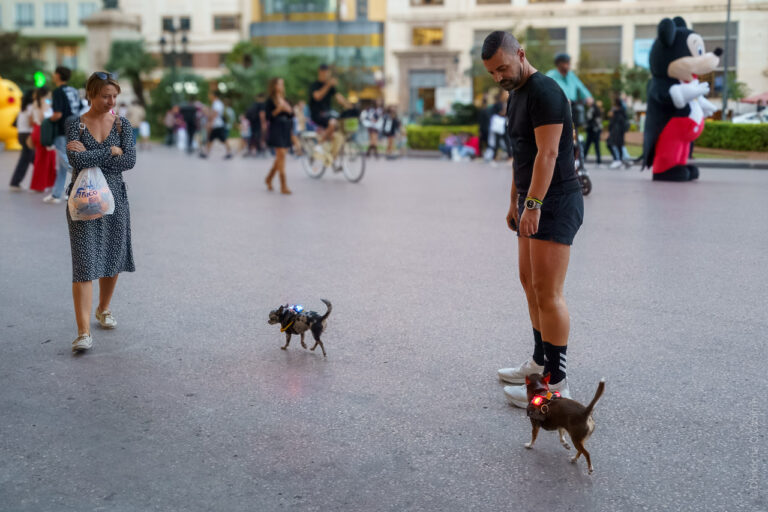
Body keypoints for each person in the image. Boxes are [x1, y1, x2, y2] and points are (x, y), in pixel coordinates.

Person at [482, 31, 584, 407]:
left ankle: (556, 385)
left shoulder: (545, 91)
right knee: (529, 283)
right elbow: (520, 154)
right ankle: (541, 363)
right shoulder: (516, 94)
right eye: (492, 73)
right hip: (532, 200)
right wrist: (515, 200)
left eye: (502, 68)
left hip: (554, 202)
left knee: (548, 292)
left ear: (520, 54)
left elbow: (549, 154)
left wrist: (534, 204)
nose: (498, 77)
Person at [64, 72, 136, 353]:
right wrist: (111, 152)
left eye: (114, 96)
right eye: (105, 95)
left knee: (113, 255)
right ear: (91, 95)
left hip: (115, 198)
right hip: (83, 200)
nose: (111, 101)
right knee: (84, 262)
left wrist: (112, 154)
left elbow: (129, 160)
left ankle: (103, 309)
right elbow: (75, 159)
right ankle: (83, 333)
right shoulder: (76, 125)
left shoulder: (122, 123)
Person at [44, 66, 81, 204]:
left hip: (62, 129)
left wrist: (47, 121)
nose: (53, 75)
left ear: (58, 75)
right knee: (62, 164)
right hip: (75, 127)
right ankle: (56, 194)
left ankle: (83, 176)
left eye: (54, 73)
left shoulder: (58, 91)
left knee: (64, 159)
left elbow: (57, 114)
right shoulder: (73, 90)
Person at [546, 54, 592, 135]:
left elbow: (581, 87)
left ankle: (575, 143)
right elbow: (544, 89)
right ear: (559, 64)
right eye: (565, 63)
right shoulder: (551, 75)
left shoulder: (571, 75)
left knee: (574, 130)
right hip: (558, 107)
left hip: (572, 107)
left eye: (568, 63)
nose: (568, 65)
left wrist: (588, 97)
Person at [308, 64, 352, 146]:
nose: (327, 75)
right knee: (332, 122)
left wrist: (349, 106)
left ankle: (329, 149)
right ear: (320, 72)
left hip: (328, 114)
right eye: (325, 73)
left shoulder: (331, 87)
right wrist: (328, 85)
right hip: (317, 114)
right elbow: (317, 96)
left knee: (339, 123)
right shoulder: (314, 85)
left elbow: (339, 97)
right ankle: (320, 145)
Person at [264, 77, 294, 195]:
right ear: (274, 86)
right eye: (279, 84)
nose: (282, 86)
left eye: (282, 84)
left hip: (285, 129)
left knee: (280, 157)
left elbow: (292, 115)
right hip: (276, 128)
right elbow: (268, 117)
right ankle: (283, 185)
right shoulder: (270, 100)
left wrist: (288, 109)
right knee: (281, 154)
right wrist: (279, 109)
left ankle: (269, 178)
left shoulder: (285, 99)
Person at [28, 87, 57, 193]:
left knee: (43, 158)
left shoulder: (34, 103)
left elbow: (31, 119)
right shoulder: (44, 102)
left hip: (36, 130)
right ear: (46, 93)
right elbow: (45, 117)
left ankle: (43, 184)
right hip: (44, 130)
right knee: (45, 159)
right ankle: (41, 185)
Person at [9, 89, 36, 190]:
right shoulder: (31, 107)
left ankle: (15, 182)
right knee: (33, 159)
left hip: (21, 134)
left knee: (26, 159)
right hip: (28, 135)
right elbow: (31, 122)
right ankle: (15, 182)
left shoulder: (23, 108)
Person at [200, 91, 233, 159]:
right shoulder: (216, 103)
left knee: (221, 139)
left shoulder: (217, 103)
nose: (209, 97)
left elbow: (215, 114)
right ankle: (206, 153)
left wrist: (210, 123)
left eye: (210, 95)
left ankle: (229, 152)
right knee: (212, 139)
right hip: (216, 124)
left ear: (214, 95)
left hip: (217, 125)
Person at [607, 96, 630, 169]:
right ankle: (622, 160)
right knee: (619, 146)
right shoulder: (621, 112)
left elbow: (613, 123)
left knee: (612, 144)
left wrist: (611, 131)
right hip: (618, 132)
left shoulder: (617, 113)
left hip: (616, 132)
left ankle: (618, 160)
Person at [583, 97, 603, 167]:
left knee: (595, 145)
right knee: (588, 145)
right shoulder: (592, 108)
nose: (587, 103)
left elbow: (596, 120)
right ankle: (583, 159)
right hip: (592, 129)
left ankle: (599, 161)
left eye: (588, 101)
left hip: (595, 130)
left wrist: (594, 127)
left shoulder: (594, 108)